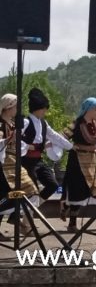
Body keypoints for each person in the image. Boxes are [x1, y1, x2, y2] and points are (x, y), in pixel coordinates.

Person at [20, 88, 72, 205]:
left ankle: (33, 210)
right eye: (43, 109)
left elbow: (54, 136)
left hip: (38, 160)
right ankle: (26, 220)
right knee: (32, 191)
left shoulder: (44, 123)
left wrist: (70, 147)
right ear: (37, 108)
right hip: (26, 161)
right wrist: (28, 146)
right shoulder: (26, 122)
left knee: (52, 185)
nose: (45, 112)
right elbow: (15, 139)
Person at [60, 97, 96, 232]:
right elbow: (62, 137)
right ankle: (72, 223)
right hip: (77, 161)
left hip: (90, 161)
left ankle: (65, 206)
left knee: (87, 190)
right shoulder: (76, 124)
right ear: (88, 109)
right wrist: (72, 146)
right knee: (77, 190)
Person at [0, 94, 36, 236]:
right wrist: (8, 139)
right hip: (4, 166)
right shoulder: (1, 124)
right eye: (15, 106)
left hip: (14, 164)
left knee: (29, 191)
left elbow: (19, 146)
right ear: (9, 107)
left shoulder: (13, 125)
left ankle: (15, 217)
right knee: (6, 195)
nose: (17, 109)